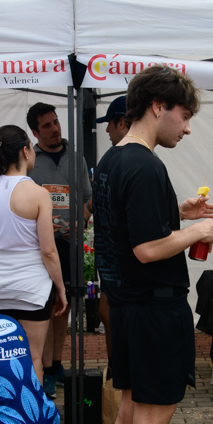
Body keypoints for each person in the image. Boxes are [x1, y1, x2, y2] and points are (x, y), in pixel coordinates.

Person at [94, 65, 213, 424]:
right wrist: (195, 230)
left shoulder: (113, 160)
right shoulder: (144, 166)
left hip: (126, 309)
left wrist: (177, 211)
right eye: (184, 116)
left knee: (128, 416)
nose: (186, 128)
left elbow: (129, 229)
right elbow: (147, 249)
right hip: (152, 308)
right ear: (158, 106)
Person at [0, 125, 68, 386]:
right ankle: (32, 420)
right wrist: (60, 289)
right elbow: (48, 250)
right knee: (33, 358)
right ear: (26, 151)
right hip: (32, 289)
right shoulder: (39, 194)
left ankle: (4, 418)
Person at [26, 102, 92, 396]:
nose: (55, 129)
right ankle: (45, 369)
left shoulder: (75, 158)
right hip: (39, 247)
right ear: (34, 132)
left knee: (63, 307)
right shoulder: (29, 160)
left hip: (69, 245)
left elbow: (88, 200)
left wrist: (83, 219)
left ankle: (56, 364)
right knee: (45, 305)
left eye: (56, 122)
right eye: (47, 125)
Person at [95, 96, 130, 336]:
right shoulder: (127, 159)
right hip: (121, 268)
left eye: (110, 122)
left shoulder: (116, 159)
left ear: (122, 122)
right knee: (111, 315)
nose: (106, 128)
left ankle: (117, 372)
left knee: (111, 315)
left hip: (114, 266)